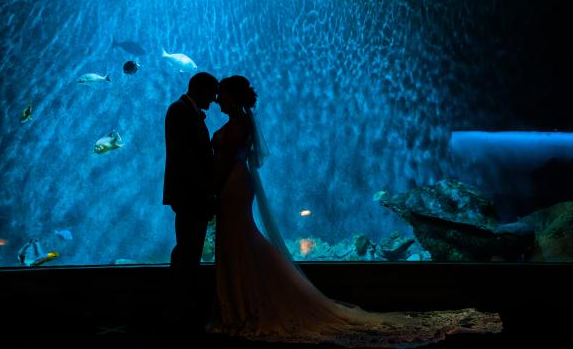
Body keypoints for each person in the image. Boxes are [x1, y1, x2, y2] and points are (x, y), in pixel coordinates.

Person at [205, 75, 503, 347]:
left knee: (239, 240)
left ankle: (244, 304)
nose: (219, 100)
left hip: (233, 185)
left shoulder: (237, 125)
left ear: (234, 96)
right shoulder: (243, 122)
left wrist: (211, 190)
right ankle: (244, 302)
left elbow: (224, 162)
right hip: (238, 184)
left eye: (222, 95)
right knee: (241, 240)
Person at [162, 72, 219, 333]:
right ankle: (180, 311)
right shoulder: (180, 110)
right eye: (212, 92)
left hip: (190, 194)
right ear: (200, 89)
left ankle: (180, 307)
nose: (215, 98)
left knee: (188, 250)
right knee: (187, 251)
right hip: (190, 195)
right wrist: (205, 191)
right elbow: (185, 159)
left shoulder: (185, 110)